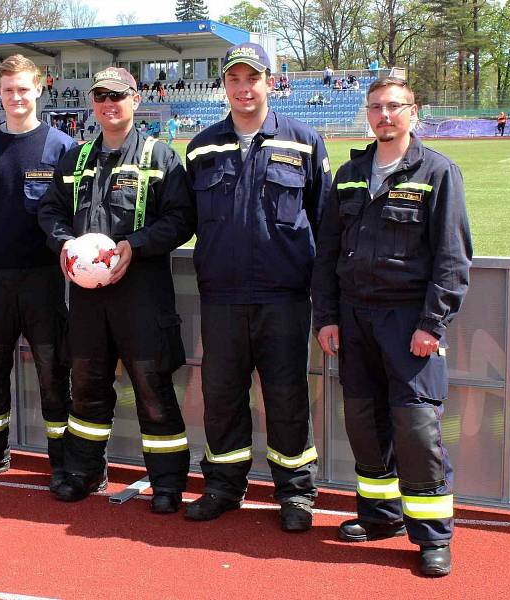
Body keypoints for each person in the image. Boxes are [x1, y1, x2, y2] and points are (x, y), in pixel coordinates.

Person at [311, 77, 472, 577]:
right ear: (367, 113)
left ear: (413, 112)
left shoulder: (438, 172)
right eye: (376, 107)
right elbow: (328, 254)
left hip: (408, 323)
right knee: (364, 423)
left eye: (394, 107)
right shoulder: (351, 173)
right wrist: (328, 316)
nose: (384, 115)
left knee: (417, 428)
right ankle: (380, 517)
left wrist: (432, 322)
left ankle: (431, 535)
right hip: (355, 320)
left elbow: (453, 256)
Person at [184, 42, 331, 530]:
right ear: (223, 85)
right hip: (222, 298)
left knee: (287, 397)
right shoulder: (201, 146)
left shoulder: (305, 141)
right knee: (222, 397)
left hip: (283, 297)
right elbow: (181, 219)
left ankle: (296, 494)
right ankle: (225, 486)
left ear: (271, 81)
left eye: (253, 78)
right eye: (234, 79)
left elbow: (326, 226)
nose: (243, 88)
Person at [38, 67, 193, 514]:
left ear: (136, 100)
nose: (109, 103)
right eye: (100, 95)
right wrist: (63, 242)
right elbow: (49, 212)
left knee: (152, 390)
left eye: (117, 96)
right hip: (86, 301)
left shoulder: (159, 156)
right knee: (86, 387)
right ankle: (84, 473)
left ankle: (167, 484)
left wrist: (135, 245)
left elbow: (182, 219)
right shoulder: (76, 158)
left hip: (142, 296)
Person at [0, 55, 75, 488]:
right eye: (8, 90)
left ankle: (63, 464)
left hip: (45, 279)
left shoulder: (61, 148)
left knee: (52, 371)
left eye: (24, 89)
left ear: (39, 89)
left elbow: (68, 216)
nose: (16, 97)